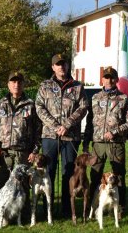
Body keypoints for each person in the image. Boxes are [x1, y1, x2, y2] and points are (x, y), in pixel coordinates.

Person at [35, 54, 89, 218]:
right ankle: (48, 210)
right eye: (58, 65)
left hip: (70, 136)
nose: (61, 67)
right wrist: (56, 125)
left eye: (64, 64)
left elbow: (83, 107)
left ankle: (67, 208)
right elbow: (39, 107)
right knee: (48, 171)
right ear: (53, 67)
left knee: (69, 173)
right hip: (50, 136)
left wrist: (67, 124)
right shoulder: (45, 86)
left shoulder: (77, 86)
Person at [83, 66, 128, 214]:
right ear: (102, 79)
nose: (109, 80)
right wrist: (86, 143)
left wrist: (115, 132)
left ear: (117, 80)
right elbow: (89, 122)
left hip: (116, 144)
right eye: (106, 77)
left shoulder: (124, 99)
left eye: (112, 77)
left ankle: (119, 207)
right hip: (98, 144)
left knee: (118, 177)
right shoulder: (95, 98)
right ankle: (92, 207)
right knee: (95, 175)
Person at [0, 71, 41, 202]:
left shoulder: (31, 105)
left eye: (19, 82)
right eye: (13, 82)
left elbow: (38, 131)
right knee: (2, 184)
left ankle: (23, 215)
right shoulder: (0, 105)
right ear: (8, 85)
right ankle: (1, 215)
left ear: (23, 84)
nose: (16, 84)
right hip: (4, 153)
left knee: (23, 184)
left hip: (24, 153)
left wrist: (35, 151)